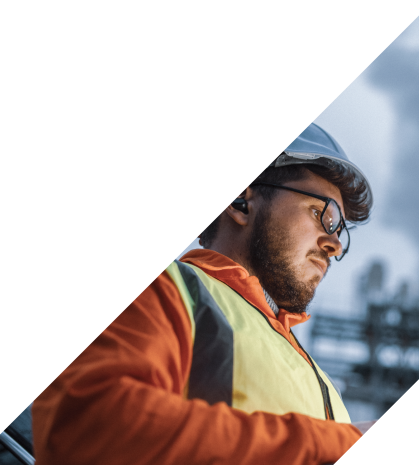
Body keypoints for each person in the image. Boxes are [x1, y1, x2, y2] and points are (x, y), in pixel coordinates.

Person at [32, 123, 377, 465]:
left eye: (341, 232)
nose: (333, 245)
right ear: (240, 201)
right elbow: (88, 429)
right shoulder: (170, 288)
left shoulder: (318, 378)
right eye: (324, 216)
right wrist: (337, 441)